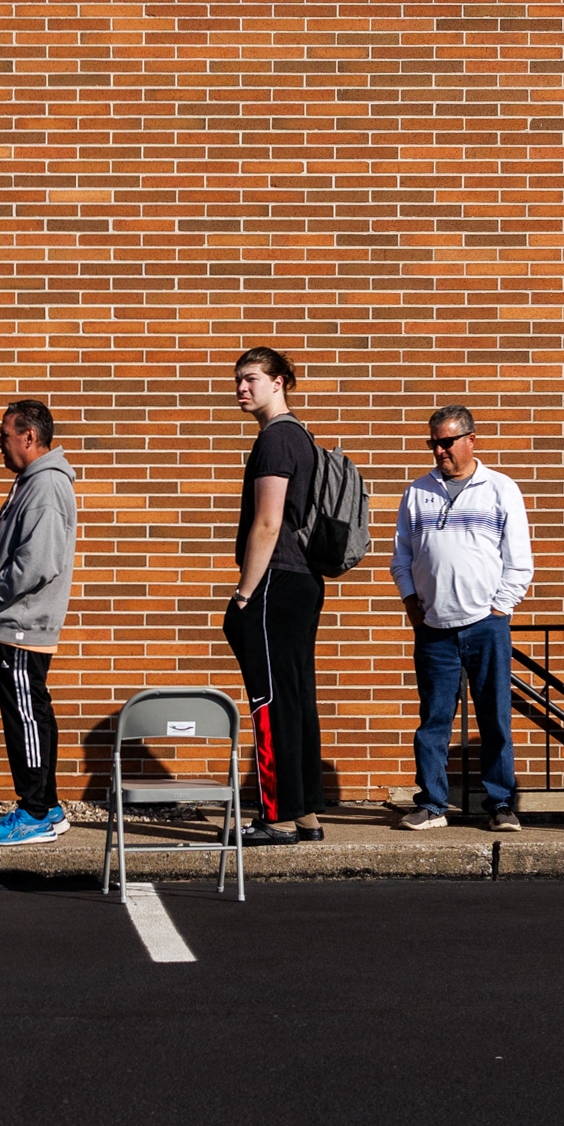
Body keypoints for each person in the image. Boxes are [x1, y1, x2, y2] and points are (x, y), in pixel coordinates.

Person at [389, 405, 532, 829]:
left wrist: (499, 607)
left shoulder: (500, 489)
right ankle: (432, 804)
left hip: (486, 624)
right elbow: (402, 556)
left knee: (495, 717)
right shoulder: (418, 491)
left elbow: (519, 560)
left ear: (471, 439)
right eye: (433, 442)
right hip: (433, 627)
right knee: (433, 719)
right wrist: (411, 602)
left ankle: (502, 805)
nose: (439, 450)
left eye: (446, 441)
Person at [225, 346, 326, 845]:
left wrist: (244, 593)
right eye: (237, 380)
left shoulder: (276, 440)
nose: (240, 388)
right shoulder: (301, 437)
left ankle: (276, 815)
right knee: (295, 696)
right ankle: (305, 813)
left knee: (269, 699)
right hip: (302, 581)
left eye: (251, 379)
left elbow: (267, 523)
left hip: (275, 582)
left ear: (280, 381)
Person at [0, 399, 78, 848]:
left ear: (28, 436)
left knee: (26, 717)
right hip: (17, 623)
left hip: (21, 624)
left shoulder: (46, 486)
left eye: (5, 434)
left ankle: (35, 813)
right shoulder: (33, 483)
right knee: (32, 713)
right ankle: (45, 805)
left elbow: (38, 563)